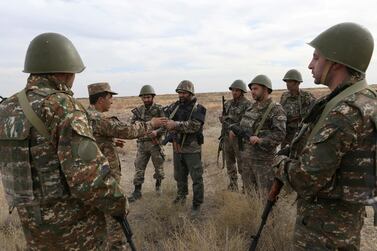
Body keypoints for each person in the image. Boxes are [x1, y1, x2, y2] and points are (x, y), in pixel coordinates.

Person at [0, 33, 126, 250]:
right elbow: (89, 178)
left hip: (33, 223)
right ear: (65, 71)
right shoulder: (62, 105)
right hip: (74, 229)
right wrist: (119, 204)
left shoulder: (7, 108)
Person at [274, 22, 376, 250]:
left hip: (324, 232)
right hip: (341, 225)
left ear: (336, 62)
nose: (310, 65)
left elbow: (306, 179)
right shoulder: (362, 100)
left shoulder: (344, 112)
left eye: (316, 57)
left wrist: (279, 162)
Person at [86, 82, 166, 249]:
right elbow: (129, 130)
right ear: (101, 99)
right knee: (115, 215)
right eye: (110, 97)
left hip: (92, 176)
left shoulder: (85, 116)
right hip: (106, 176)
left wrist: (110, 141)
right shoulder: (99, 118)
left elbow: (90, 140)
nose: (112, 101)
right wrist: (151, 123)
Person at [237, 75, 286, 192]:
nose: (252, 92)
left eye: (255, 89)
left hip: (263, 162)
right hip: (247, 159)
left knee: (266, 196)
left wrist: (260, 140)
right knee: (250, 194)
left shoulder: (275, 109)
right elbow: (245, 126)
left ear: (266, 89)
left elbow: (280, 135)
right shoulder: (251, 107)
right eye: (251, 89)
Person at [165, 80, 206, 216]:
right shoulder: (175, 106)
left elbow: (194, 125)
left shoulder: (198, 108)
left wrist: (175, 125)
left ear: (190, 93)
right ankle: (181, 196)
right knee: (179, 176)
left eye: (183, 93)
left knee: (196, 177)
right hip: (177, 147)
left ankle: (197, 203)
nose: (181, 95)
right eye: (179, 93)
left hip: (191, 148)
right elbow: (166, 119)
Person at [128, 85, 166, 202]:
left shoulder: (159, 109)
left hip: (155, 144)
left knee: (159, 168)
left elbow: (165, 125)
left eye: (148, 97)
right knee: (139, 167)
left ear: (153, 97)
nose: (146, 99)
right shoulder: (138, 111)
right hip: (142, 144)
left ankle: (158, 187)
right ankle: (137, 191)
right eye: (144, 97)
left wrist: (156, 132)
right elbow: (132, 126)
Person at [219, 80, 252, 191]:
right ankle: (233, 184)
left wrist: (236, 130)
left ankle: (245, 187)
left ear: (242, 91)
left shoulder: (247, 105)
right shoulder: (227, 103)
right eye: (233, 90)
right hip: (227, 137)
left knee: (242, 164)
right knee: (229, 162)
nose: (234, 92)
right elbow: (225, 118)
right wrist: (222, 119)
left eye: (237, 90)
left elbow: (247, 122)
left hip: (239, 139)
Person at [280, 69, 316, 147]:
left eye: (290, 81)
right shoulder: (284, 96)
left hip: (300, 133)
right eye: (286, 82)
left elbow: (314, 113)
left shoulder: (306, 96)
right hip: (285, 132)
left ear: (297, 82)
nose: (287, 84)